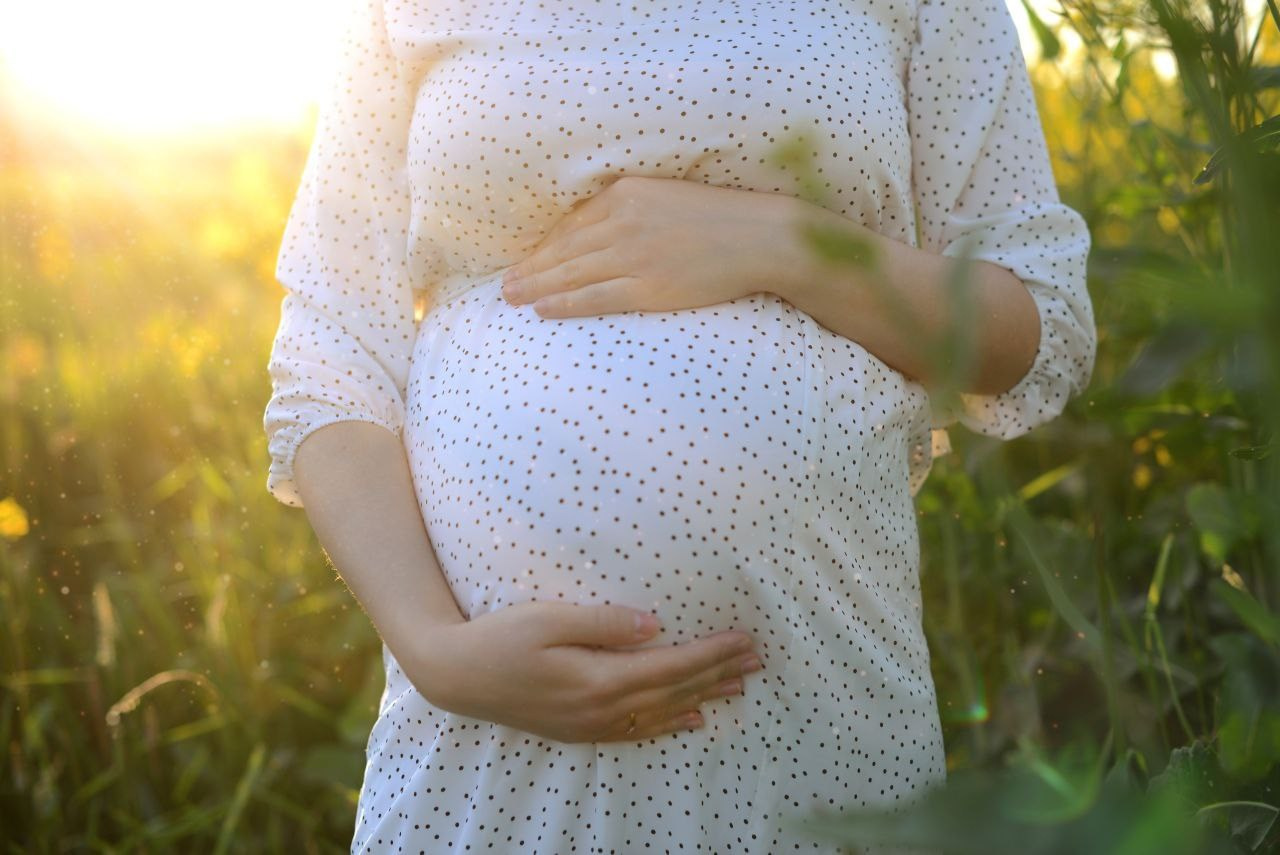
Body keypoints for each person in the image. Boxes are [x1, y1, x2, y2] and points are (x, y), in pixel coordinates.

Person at [262, 0, 1096, 850]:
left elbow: (1037, 323)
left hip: (813, 708)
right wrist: (437, 651)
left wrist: (786, 243)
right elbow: (332, 354)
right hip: (487, 745)